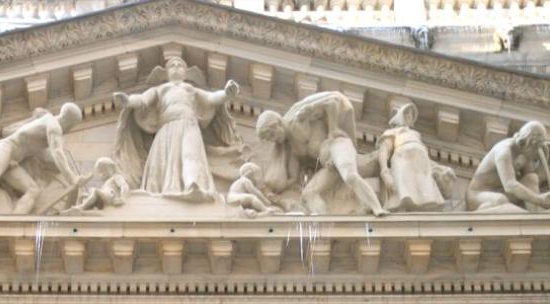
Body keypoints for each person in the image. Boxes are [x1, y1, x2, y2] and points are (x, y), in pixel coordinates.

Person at [113, 56, 246, 199]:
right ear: (166, 73)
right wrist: (128, 100)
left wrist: (226, 93)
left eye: (180, 65)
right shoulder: (160, 89)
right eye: (172, 65)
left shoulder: (190, 89)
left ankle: (193, 184)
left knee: (191, 154)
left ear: (186, 73)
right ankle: (163, 188)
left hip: (189, 125)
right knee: (163, 160)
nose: (176, 66)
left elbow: (210, 98)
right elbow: (142, 100)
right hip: (167, 127)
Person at [258, 92, 387, 216]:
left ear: (278, 123)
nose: (273, 140)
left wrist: (332, 129)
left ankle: (377, 209)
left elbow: (331, 103)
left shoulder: (299, 118)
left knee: (350, 176)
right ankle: (325, 223)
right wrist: (269, 193)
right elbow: (292, 178)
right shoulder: (292, 149)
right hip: (329, 165)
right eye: (269, 138)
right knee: (308, 194)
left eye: (271, 134)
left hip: (336, 146)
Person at [0, 103, 83, 215]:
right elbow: (57, 153)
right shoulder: (54, 126)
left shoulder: (46, 121)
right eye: (72, 125)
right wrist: (72, 178)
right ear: (70, 121)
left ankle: (13, 221)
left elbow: (48, 156)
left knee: (33, 190)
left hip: (13, 162)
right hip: (5, 148)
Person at [376, 103, 448, 212]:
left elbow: (424, 155)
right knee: (404, 195)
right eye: (407, 113)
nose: (410, 116)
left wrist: (439, 169)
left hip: (421, 167)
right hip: (403, 161)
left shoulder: (416, 134)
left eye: (411, 114)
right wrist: (384, 170)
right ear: (400, 115)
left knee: (426, 197)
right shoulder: (393, 132)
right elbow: (384, 150)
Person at [466, 121, 550, 212]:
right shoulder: (504, 152)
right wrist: (539, 200)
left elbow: (533, 180)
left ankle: (536, 214)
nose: (536, 153)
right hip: (478, 195)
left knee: (531, 178)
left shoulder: (524, 153)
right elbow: (510, 185)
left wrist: (543, 164)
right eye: (536, 148)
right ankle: (485, 210)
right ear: (529, 142)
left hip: (502, 192)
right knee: (500, 200)